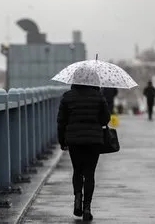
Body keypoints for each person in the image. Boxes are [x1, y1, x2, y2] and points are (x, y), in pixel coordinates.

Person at [57, 84, 110, 221]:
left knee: (77, 170)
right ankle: (87, 208)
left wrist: (62, 141)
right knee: (90, 173)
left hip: (74, 140)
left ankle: (77, 198)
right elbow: (105, 119)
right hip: (94, 140)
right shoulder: (98, 96)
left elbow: (61, 121)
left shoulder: (67, 97)